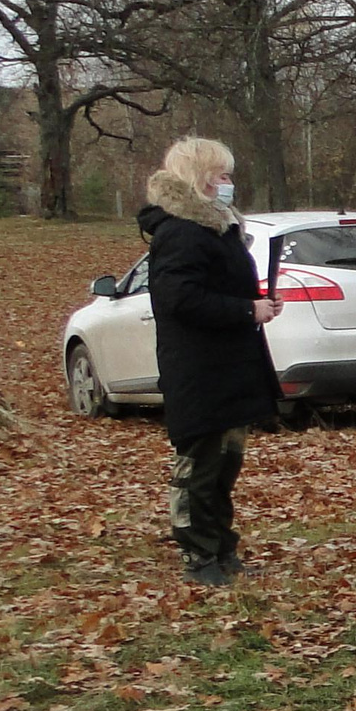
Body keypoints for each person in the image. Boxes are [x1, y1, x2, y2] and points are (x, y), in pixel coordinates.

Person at [139, 137, 282, 585]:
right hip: (199, 371)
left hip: (229, 368)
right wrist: (245, 310)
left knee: (224, 466)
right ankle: (198, 553)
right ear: (200, 178)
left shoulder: (218, 230)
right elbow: (179, 298)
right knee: (200, 468)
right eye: (222, 175)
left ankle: (221, 548)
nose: (228, 183)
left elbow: (218, 289)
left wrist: (256, 305)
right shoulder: (180, 233)